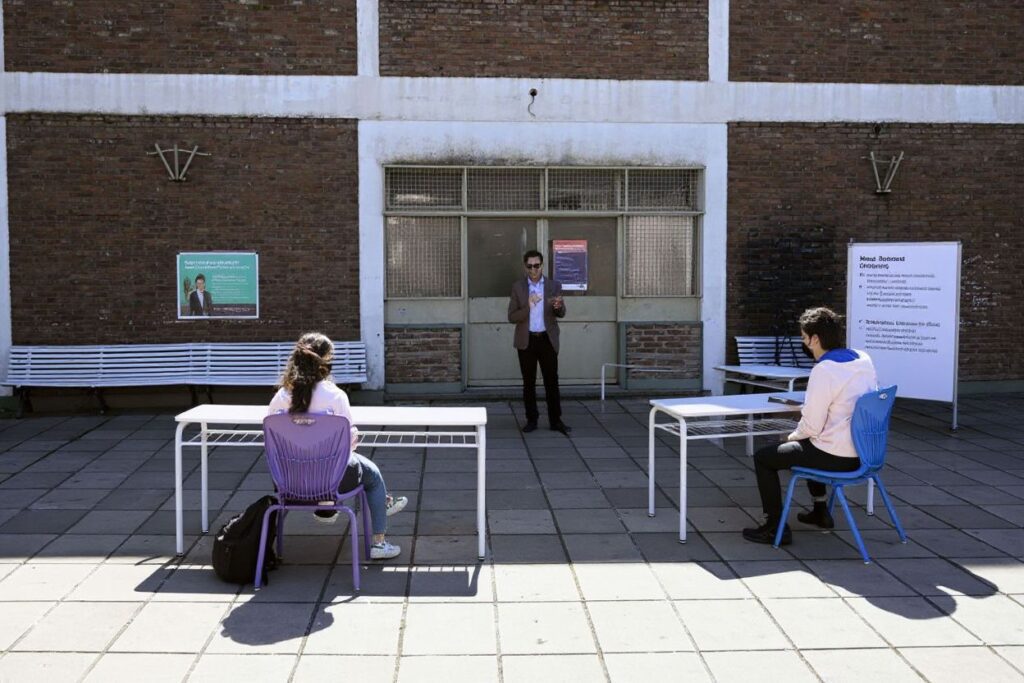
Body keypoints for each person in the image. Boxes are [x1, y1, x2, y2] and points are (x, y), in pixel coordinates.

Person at [742, 307, 878, 545]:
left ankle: (775, 527)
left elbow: (811, 427)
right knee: (807, 444)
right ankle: (820, 511)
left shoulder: (824, 370)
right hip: (866, 453)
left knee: (765, 457)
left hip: (837, 456)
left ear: (815, 338)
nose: (805, 344)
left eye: (804, 338)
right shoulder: (863, 359)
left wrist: (791, 437)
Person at [268, 332, 407, 560]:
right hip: (331, 480)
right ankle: (379, 540)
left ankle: (327, 509)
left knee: (334, 463)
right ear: (326, 361)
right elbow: (348, 444)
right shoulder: (336, 396)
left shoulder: (281, 396)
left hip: (288, 481)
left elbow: (273, 444)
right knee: (371, 473)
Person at [508, 249, 571, 435]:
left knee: (552, 381)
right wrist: (528, 305)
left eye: (537, 265)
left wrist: (559, 307)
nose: (533, 269)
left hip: (547, 339)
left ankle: (555, 420)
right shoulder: (518, 287)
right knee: (529, 382)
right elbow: (511, 316)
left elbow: (561, 313)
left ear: (542, 265)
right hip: (526, 340)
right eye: (530, 266)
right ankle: (532, 419)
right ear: (525, 267)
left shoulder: (553, 285)